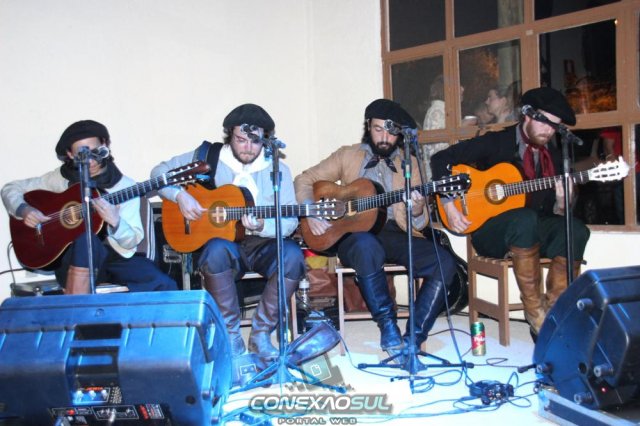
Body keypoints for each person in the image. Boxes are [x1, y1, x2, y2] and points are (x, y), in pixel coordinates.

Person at [294, 99, 456, 357]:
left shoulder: (409, 164)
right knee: (366, 246)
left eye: (390, 132)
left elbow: (419, 222)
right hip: (354, 235)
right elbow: (304, 179)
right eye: (378, 129)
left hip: (395, 232)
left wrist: (416, 208)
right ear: (368, 126)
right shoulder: (348, 155)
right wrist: (310, 210)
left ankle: (415, 336)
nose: (384, 137)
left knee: (444, 261)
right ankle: (387, 325)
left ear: (399, 134)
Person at [431, 87, 591, 339]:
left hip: (529, 232)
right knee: (525, 219)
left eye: (554, 126)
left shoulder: (554, 158)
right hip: (490, 233)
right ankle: (535, 312)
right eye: (544, 122)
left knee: (576, 229)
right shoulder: (497, 142)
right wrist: (449, 205)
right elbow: (441, 159)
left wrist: (562, 202)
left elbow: (553, 214)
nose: (548, 131)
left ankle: (556, 312)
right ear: (527, 115)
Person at [150, 104, 304, 360]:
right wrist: (179, 196)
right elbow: (158, 173)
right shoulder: (207, 158)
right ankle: (230, 336)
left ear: (265, 139)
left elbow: (289, 222)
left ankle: (261, 334)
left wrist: (262, 226)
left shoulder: (278, 170)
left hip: (261, 243)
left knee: (293, 256)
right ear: (230, 135)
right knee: (214, 251)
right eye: (241, 140)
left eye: (255, 141)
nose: (248, 148)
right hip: (223, 245)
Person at [1, 120, 178, 294]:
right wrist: (23, 209)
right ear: (70, 154)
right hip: (72, 261)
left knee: (162, 284)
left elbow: (131, 241)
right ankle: (76, 306)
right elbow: (10, 189)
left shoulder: (124, 186)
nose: (91, 161)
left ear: (105, 146)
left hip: (114, 258)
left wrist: (116, 222)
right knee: (86, 240)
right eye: (82, 156)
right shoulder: (59, 179)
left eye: (95, 152)